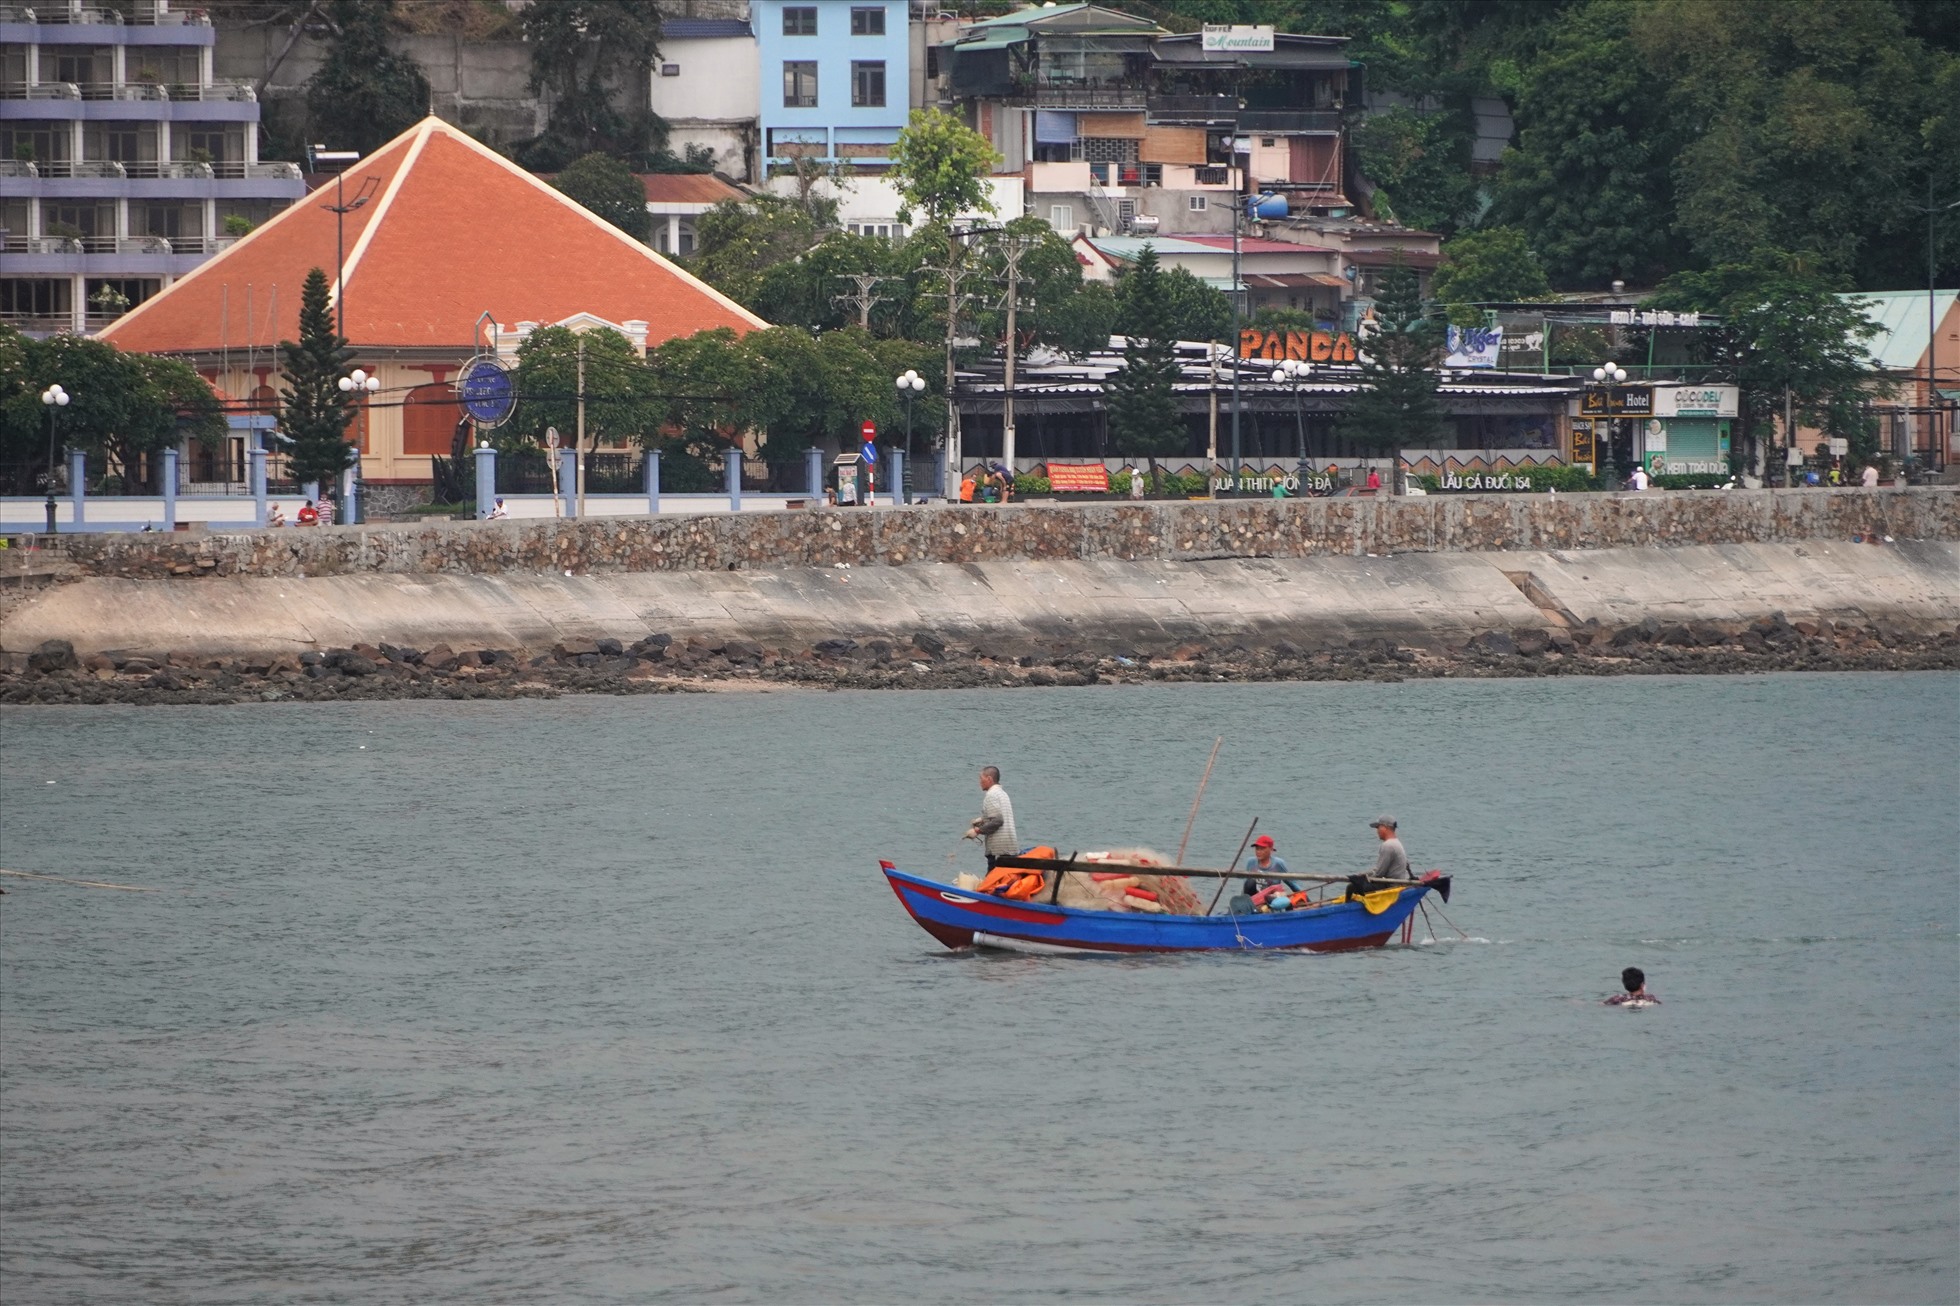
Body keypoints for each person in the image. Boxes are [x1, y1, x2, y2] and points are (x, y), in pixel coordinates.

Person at [962, 765, 1019, 869]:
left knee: (992, 882)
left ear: (989, 779)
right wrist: (983, 820)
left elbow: (998, 820)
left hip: (998, 851)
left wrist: (977, 831)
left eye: (981, 778)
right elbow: (999, 817)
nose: (979, 782)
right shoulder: (1003, 794)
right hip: (1010, 847)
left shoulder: (991, 795)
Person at [1365, 815, 1410, 881]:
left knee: (1352, 886)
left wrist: (1362, 879)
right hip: (1398, 882)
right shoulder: (1397, 842)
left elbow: (1379, 874)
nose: (1377, 831)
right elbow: (1379, 869)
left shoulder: (1388, 845)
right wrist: (1363, 875)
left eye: (1378, 827)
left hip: (1391, 885)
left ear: (1384, 827)